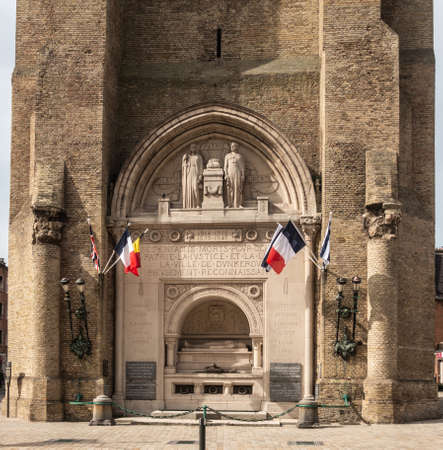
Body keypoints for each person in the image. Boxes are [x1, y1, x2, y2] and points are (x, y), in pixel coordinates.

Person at [224, 142, 245, 208]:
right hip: (230, 173)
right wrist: (226, 175)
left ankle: (238, 204)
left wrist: (243, 175)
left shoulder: (239, 156)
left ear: (237, 147)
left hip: (237, 172)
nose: (233, 147)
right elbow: (225, 166)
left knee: (238, 188)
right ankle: (230, 204)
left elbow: (242, 167)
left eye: (235, 146)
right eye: (232, 146)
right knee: (230, 188)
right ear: (230, 147)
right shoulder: (227, 156)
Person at [182, 144, 203, 208]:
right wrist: (184, 159)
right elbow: (184, 166)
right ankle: (189, 205)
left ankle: (197, 204)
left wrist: (200, 176)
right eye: (192, 147)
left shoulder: (198, 157)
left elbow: (201, 167)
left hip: (195, 173)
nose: (193, 148)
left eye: (194, 147)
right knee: (189, 188)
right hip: (189, 173)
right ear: (190, 149)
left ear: (196, 148)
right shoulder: (187, 157)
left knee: (195, 188)